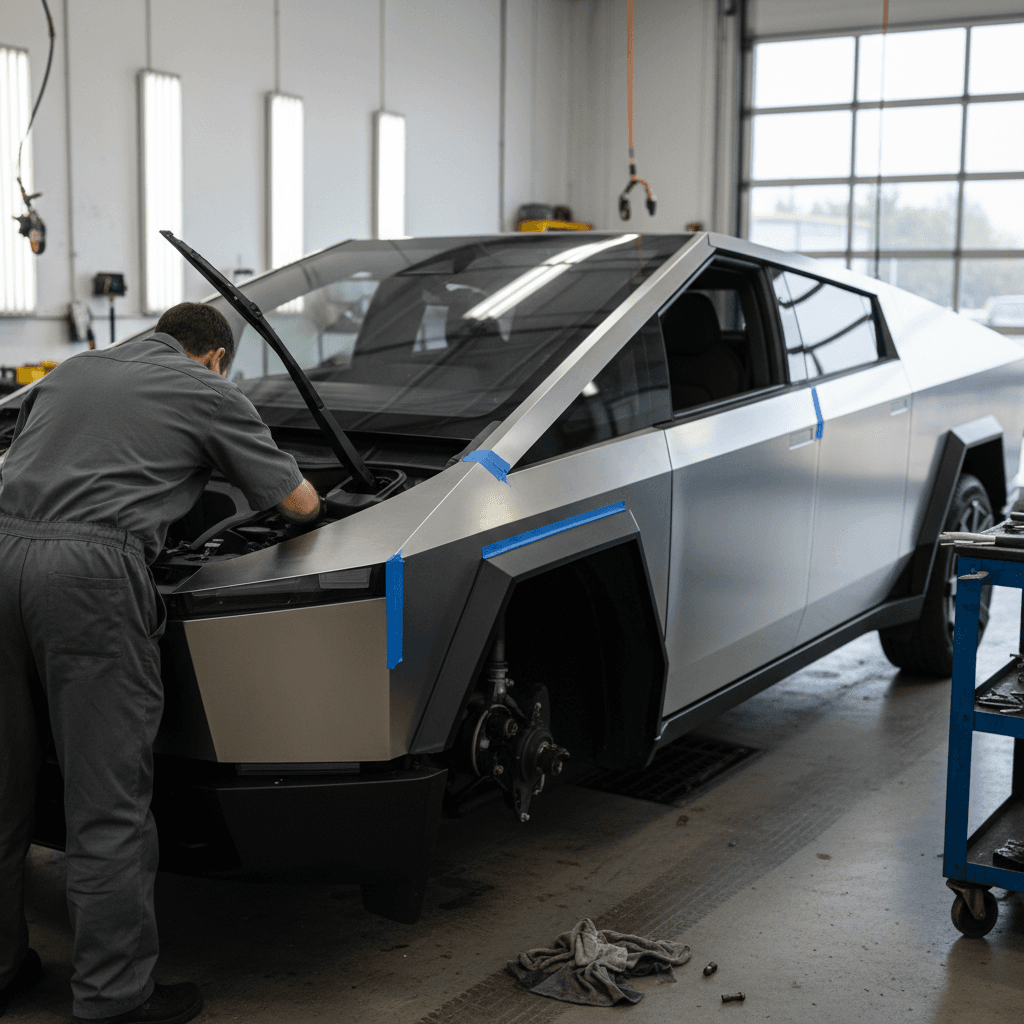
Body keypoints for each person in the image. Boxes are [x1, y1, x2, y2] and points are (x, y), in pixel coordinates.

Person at [0, 303, 323, 1024]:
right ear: (213, 357)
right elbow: (300, 505)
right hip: (86, 578)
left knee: (2, 785)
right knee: (106, 801)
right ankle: (114, 998)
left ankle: (1, 966)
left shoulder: (72, 370)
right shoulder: (208, 390)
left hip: (1, 556)